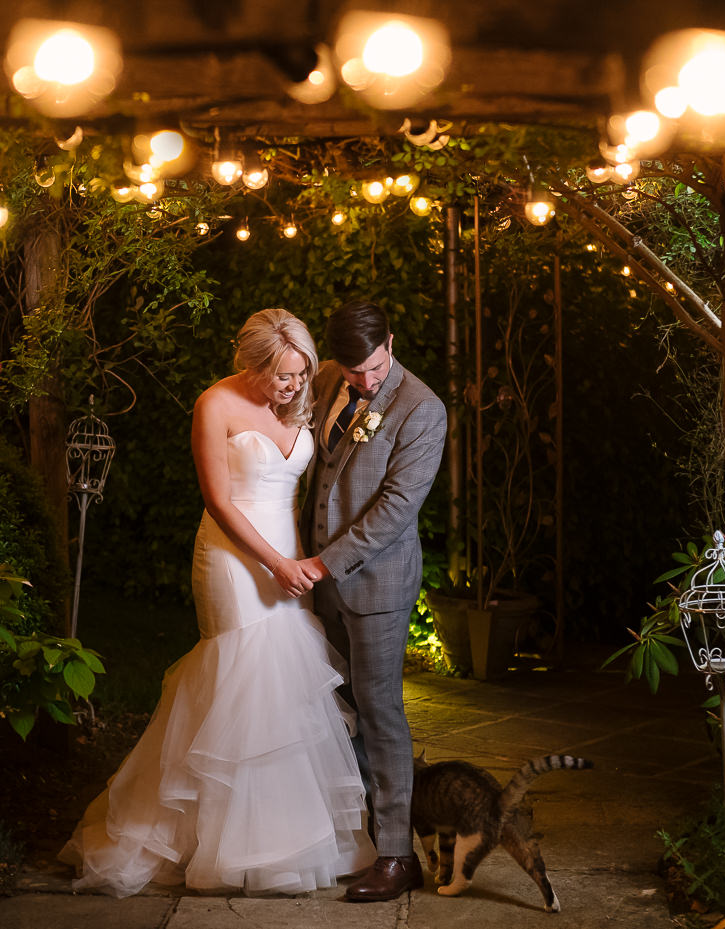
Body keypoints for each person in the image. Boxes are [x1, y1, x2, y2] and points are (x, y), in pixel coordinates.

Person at [60, 308, 375, 897]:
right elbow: (220, 502)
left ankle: (287, 840)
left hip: (290, 554)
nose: (294, 386)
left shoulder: (301, 398)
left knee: (286, 686)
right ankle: (210, 841)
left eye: (301, 374)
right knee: (239, 679)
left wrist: (297, 561)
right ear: (252, 364)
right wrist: (274, 564)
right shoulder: (215, 404)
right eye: (282, 375)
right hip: (234, 557)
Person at [297, 299, 447, 903]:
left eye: (375, 368)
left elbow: (392, 511)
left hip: (376, 581)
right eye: (355, 372)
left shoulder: (422, 409)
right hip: (313, 575)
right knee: (335, 704)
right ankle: (353, 834)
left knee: (380, 709)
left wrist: (321, 563)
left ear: (391, 341)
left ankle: (396, 855)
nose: (365, 382)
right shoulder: (329, 377)